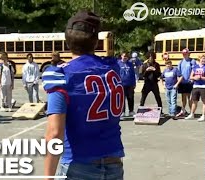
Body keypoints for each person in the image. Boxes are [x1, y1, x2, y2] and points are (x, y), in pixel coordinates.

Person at [42, 11, 124, 180]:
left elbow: (54, 132)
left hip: (78, 163)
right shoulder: (112, 69)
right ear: (95, 41)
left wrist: (47, 177)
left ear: (67, 40)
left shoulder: (61, 75)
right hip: (114, 162)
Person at [185, 55, 205, 122]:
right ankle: (192, 114)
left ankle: (203, 115)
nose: (203, 60)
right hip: (195, 86)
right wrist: (195, 78)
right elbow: (191, 77)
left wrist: (201, 78)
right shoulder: (195, 67)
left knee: (204, 101)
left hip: (203, 86)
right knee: (194, 101)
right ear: (199, 59)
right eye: (202, 59)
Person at [176, 48, 196, 117]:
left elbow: (194, 70)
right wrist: (178, 81)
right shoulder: (181, 62)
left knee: (190, 98)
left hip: (189, 82)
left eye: (185, 53)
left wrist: (192, 79)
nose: (184, 55)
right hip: (182, 82)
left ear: (188, 54)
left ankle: (191, 112)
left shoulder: (192, 61)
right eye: (183, 54)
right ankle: (183, 110)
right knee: (183, 97)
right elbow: (178, 72)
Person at [118, 52, 136, 116]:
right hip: (121, 84)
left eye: (126, 56)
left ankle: (131, 111)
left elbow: (133, 74)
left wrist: (134, 83)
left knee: (130, 98)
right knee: (122, 99)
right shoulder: (118, 63)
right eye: (124, 56)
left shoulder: (130, 64)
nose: (125, 57)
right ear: (121, 56)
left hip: (130, 84)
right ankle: (122, 112)